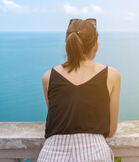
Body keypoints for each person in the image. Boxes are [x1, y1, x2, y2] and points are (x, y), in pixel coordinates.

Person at [37, 18, 121, 162]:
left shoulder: (48, 77)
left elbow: (59, 120)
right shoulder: (112, 75)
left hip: (51, 155)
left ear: (68, 44)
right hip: (94, 154)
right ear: (96, 45)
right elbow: (111, 130)